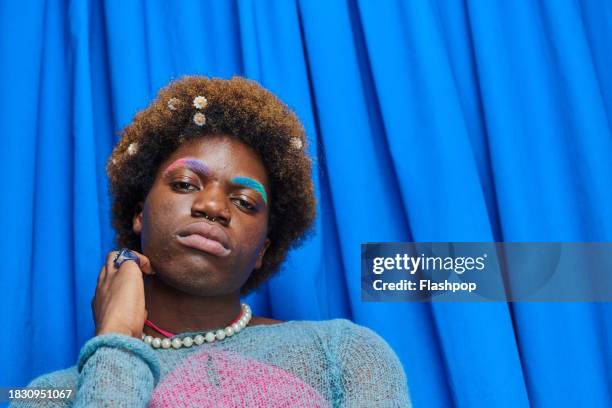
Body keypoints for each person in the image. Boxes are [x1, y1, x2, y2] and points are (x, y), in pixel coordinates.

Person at [12, 76, 411, 407]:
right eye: (185, 184)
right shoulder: (47, 396)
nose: (213, 206)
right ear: (139, 212)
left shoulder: (345, 354)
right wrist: (116, 339)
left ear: (264, 251)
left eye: (245, 202)